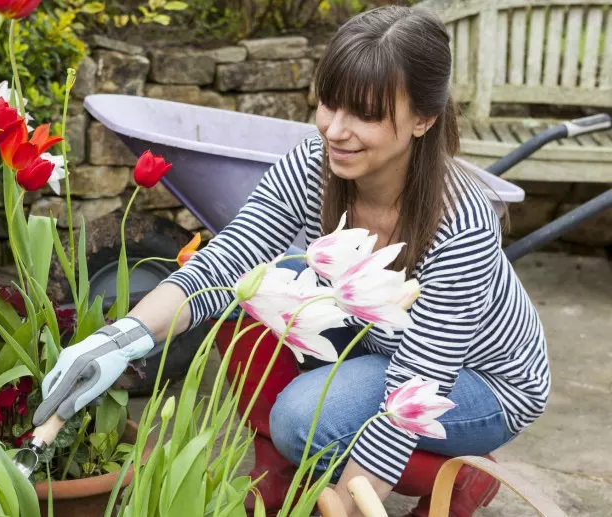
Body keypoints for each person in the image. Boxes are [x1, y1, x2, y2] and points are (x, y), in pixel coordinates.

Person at [32, 5, 550, 516]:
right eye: (329, 103)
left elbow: (412, 396)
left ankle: (460, 476)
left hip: (481, 379)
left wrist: (347, 508)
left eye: (365, 114)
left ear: (423, 120)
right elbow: (226, 262)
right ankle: (279, 476)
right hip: (383, 339)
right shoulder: (316, 164)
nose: (335, 130)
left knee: (303, 420)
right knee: (258, 287)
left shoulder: (461, 224)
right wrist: (117, 342)